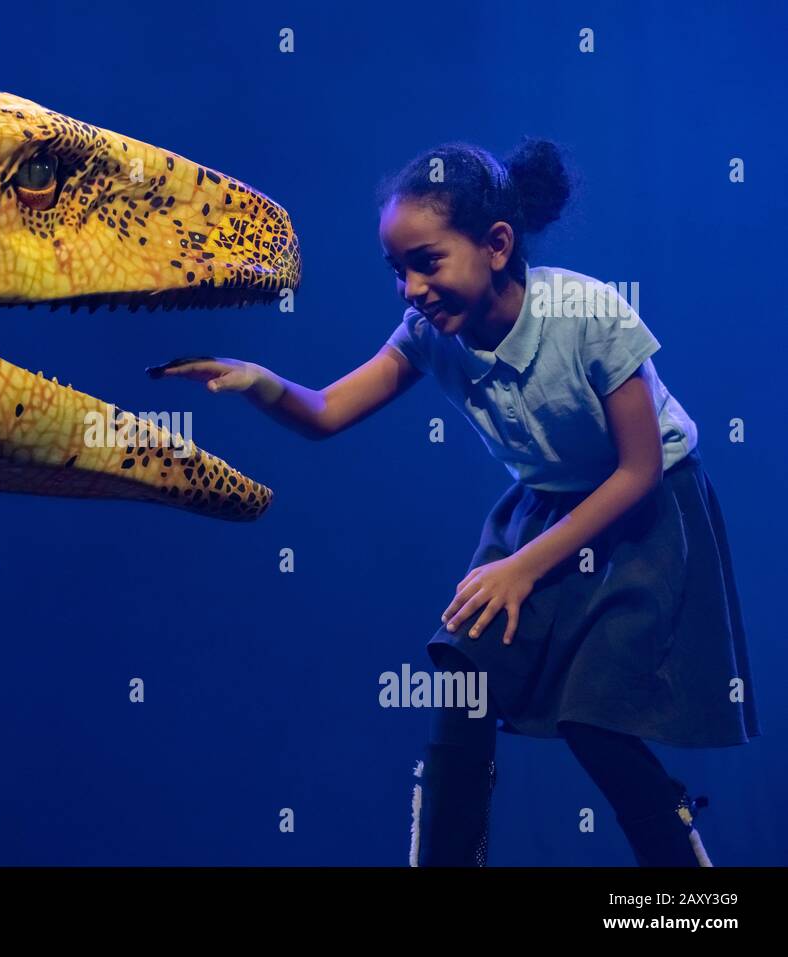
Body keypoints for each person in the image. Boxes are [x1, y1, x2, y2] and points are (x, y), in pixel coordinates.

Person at [147, 138, 759, 866]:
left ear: (496, 244)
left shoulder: (588, 314)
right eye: (397, 270)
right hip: (545, 508)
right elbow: (326, 412)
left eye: (427, 262)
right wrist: (258, 380)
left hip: (643, 517)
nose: (410, 288)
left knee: (596, 714)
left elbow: (638, 472)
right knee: (464, 680)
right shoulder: (428, 336)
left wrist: (523, 569)